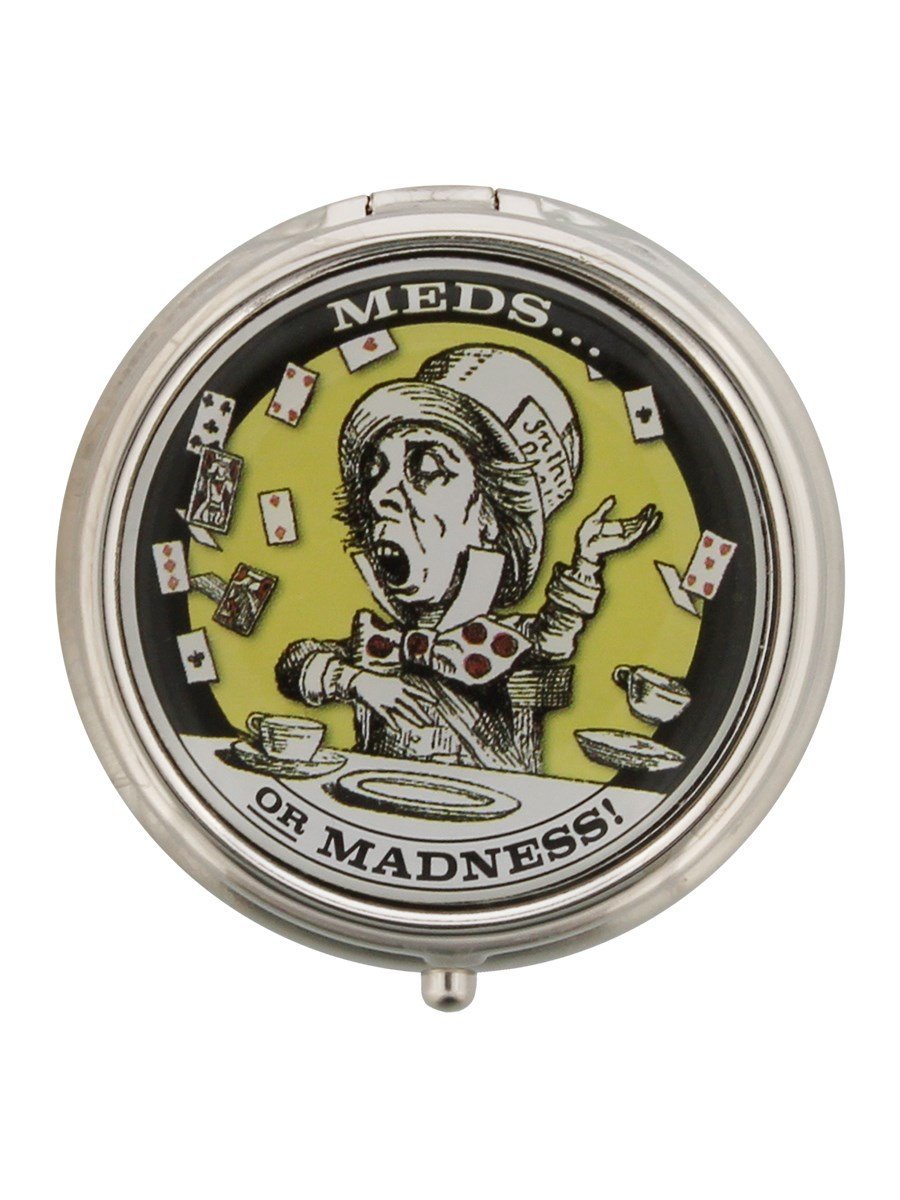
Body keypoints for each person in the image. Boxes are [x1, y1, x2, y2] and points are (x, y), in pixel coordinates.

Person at [276, 344, 661, 773]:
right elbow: (297, 664)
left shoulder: (504, 643)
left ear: (490, 517)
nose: (380, 494)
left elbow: (555, 635)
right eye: (375, 472)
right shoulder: (379, 647)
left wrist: (587, 560)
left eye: (427, 470)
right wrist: (356, 681)